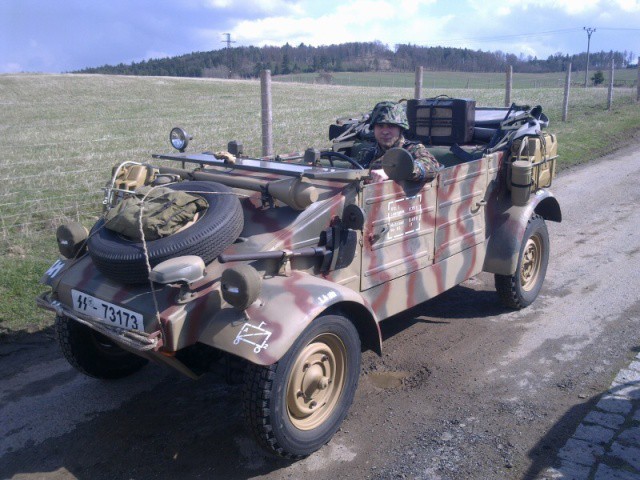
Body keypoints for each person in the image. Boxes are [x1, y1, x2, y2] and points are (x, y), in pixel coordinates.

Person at [354, 101, 441, 183]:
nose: (385, 132)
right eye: (380, 126)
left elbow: (431, 167)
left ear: (400, 129)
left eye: (391, 126)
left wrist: (391, 171)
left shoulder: (412, 149)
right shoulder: (366, 154)